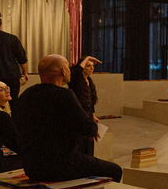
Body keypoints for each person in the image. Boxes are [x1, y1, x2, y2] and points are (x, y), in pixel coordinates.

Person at [11, 54, 122, 182]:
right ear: (64, 71)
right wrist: (92, 125)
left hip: (32, 166)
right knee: (115, 170)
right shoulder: (64, 95)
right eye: (68, 68)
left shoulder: (27, 94)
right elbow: (87, 128)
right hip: (62, 165)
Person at [68, 56, 100, 156]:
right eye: (88, 66)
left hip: (88, 115)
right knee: (80, 143)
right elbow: (77, 70)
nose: (92, 68)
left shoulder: (89, 81)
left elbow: (91, 101)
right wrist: (88, 57)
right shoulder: (76, 80)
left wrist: (93, 114)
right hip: (78, 115)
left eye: (92, 66)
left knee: (89, 142)